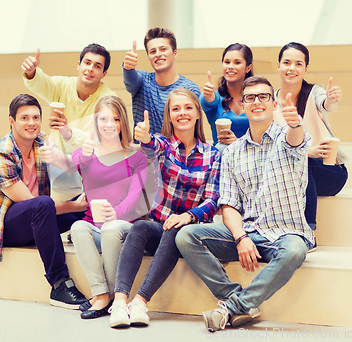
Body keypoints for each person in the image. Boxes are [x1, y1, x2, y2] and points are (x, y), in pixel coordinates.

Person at [176, 76, 314, 332]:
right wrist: (240, 237)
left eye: (263, 97)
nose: (257, 102)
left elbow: (297, 138)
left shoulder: (288, 139)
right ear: (243, 104)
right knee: (186, 236)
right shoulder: (232, 152)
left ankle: (231, 308)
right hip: (248, 233)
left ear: (274, 104)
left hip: (286, 233)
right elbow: (228, 205)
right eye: (250, 98)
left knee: (295, 250)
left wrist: (295, 123)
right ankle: (239, 300)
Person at [108, 88, 220, 328]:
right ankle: (119, 302)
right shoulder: (165, 145)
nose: (182, 113)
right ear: (169, 116)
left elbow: (212, 201)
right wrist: (145, 137)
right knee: (140, 227)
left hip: (190, 234)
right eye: (175, 109)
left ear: (198, 114)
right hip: (159, 227)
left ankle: (140, 302)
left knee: (175, 229)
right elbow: (151, 147)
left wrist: (188, 216)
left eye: (188, 107)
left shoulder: (213, 154)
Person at [0, 94, 88, 309]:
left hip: (38, 217)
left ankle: (90, 236)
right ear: (12, 121)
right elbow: (32, 203)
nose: (32, 123)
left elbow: (75, 172)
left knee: (88, 199)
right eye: (24, 118)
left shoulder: (41, 143)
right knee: (45, 203)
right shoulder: (0, 155)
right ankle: (59, 284)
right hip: (8, 229)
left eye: (36, 117)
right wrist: (75, 206)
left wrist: (60, 152)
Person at [68, 96, 148, 319]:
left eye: (115, 119)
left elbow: (135, 195)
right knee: (78, 227)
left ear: (123, 122)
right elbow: (76, 163)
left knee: (111, 228)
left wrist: (117, 212)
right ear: (95, 122)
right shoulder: (85, 153)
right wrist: (84, 153)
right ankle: (101, 294)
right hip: (95, 227)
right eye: (103, 118)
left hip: (124, 227)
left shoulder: (137, 157)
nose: (109, 124)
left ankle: (115, 294)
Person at [273, 42, 348, 237]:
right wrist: (305, 152)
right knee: (298, 159)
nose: (292, 68)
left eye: (298, 64)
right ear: (278, 65)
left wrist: (331, 100)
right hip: (290, 175)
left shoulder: (314, 93)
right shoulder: (270, 103)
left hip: (329, 172)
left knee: (301, 160)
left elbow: (326, 104)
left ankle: (308, 231)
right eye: (287, 62)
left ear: (306, 68)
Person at [21, 43, 117, 153]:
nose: (90, 68)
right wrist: (31, 72)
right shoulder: (62, 85)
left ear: (104, 74)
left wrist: (70, 134)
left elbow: (105, 138)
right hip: (57, 160)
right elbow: (41, 83)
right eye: (87, 63)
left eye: (97, 66)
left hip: (91, 163)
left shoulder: (109, 100)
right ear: (78, 65)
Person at [123, 27, 201, 136]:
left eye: (163, 49)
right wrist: (128, 67)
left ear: (174, 53)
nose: (158, 54)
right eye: (153, 51)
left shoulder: (190, 89)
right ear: (149, 57)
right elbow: (130, 81)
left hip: (178, 151)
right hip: (144, 151)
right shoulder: (143, 81)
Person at [201, 43, 253, 153]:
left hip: (251, 156)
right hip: (221, 156)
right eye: (227, 62)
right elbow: (208, 101)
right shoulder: (214, 96)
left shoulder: (255, 98)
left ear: (248, 68)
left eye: (237, 62)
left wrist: (238, 142)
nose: (230, 66)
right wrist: (208, 95)